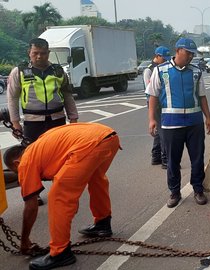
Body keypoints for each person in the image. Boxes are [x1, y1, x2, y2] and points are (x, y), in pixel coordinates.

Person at [3, 123, 121, 270]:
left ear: (16, 163)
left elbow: (31, 205)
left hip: (89, 144)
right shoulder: (42, 148)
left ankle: (60, 252)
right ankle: (103, 223)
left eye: (16, 171)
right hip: (108, 136)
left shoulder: (25, 161)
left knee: (57, 196)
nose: (19, 174)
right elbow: (67, 176)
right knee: (96, 179)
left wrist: (24, 240)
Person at [7, 37, 79, 206]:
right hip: (33, 122)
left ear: (49, 53)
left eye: (43, 53)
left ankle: (59, 187)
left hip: (57, 119)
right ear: (29, 53)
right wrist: (15, 122)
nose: (39, 57)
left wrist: (73, 117)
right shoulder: (20, 71)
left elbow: (67, 94)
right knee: (31, 159)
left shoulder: (58, 71)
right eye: (35, 53)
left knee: (60, 156)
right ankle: (34, 192)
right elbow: (12, 97)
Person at [146, 38, 210, 208]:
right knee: (172, 160)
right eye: (187, 53)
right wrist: (152, 119)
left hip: (194, 123)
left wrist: (208, 118)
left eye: (192, 54)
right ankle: (174, 192)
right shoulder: (161, 70)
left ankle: (198, 189)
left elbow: (202, 96)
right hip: (170, 124)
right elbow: (153, 95)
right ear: (177, 50)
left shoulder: (196, 71)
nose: (190, 56)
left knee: (197, 159)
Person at [144, 46, 171, 169]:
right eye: (164, 59)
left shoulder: (164, 68)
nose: (165, 61)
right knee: (163, 132)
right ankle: (165, 160)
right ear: (157, 56)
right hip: (155, 104)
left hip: (163, 104)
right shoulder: (149, 70)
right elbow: (151, 91)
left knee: (159, 132)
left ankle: (156, 157)